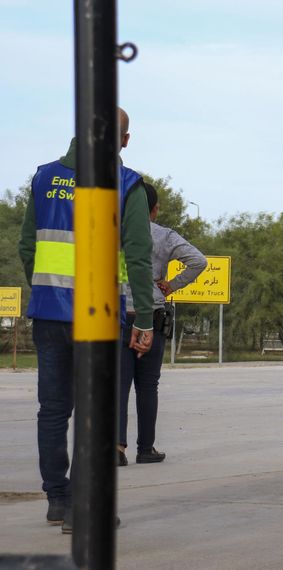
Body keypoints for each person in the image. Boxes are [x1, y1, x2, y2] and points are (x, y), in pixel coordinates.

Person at [18, 108, 154, 532]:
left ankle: (58, 499)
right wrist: (145, 318)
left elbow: (27, 246)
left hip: (48, 314)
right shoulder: (127, 184)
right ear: (124, 140)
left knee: (53, 409)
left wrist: (48, 290)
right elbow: (137, 256)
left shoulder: (43, 178)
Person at [118, 182, 207, 466]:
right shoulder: (165, 236)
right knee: (148, 385)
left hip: (117, 316)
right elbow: (198, 261)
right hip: (151, 318)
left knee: (119, 385)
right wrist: (171, 285)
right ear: (154, 210)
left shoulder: (113, 232)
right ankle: (146, 448)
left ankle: (117, 448)